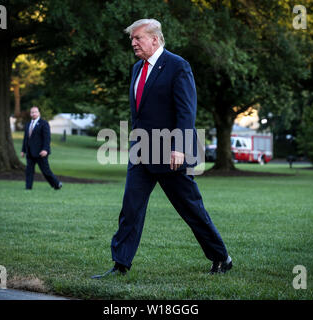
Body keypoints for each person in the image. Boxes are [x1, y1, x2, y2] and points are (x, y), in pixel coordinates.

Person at [92, 19, 232, 279]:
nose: (133, 43)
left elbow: (186, 112)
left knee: (190, 209)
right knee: (130, 208)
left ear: (155, 39)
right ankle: (120, 264)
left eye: (138, 38)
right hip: (141, 151)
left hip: (171, 155)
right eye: (132, 39)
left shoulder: (178, 66)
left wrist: (179, 147)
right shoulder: (137, 68)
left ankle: (221, 257)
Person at [21, 106, 62, 190]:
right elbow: (26, 138)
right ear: (30, 114)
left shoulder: (44, 123)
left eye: (35, 112)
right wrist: (23, 150)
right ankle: (28, 187)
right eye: (32, 112)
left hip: (41, 153)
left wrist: (45, 149)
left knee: (45, 171)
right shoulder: (28, 124)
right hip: (30, 152)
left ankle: (57, 184)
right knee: (29, 171)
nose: (33, 114)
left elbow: (47, 138)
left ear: (39, 113)